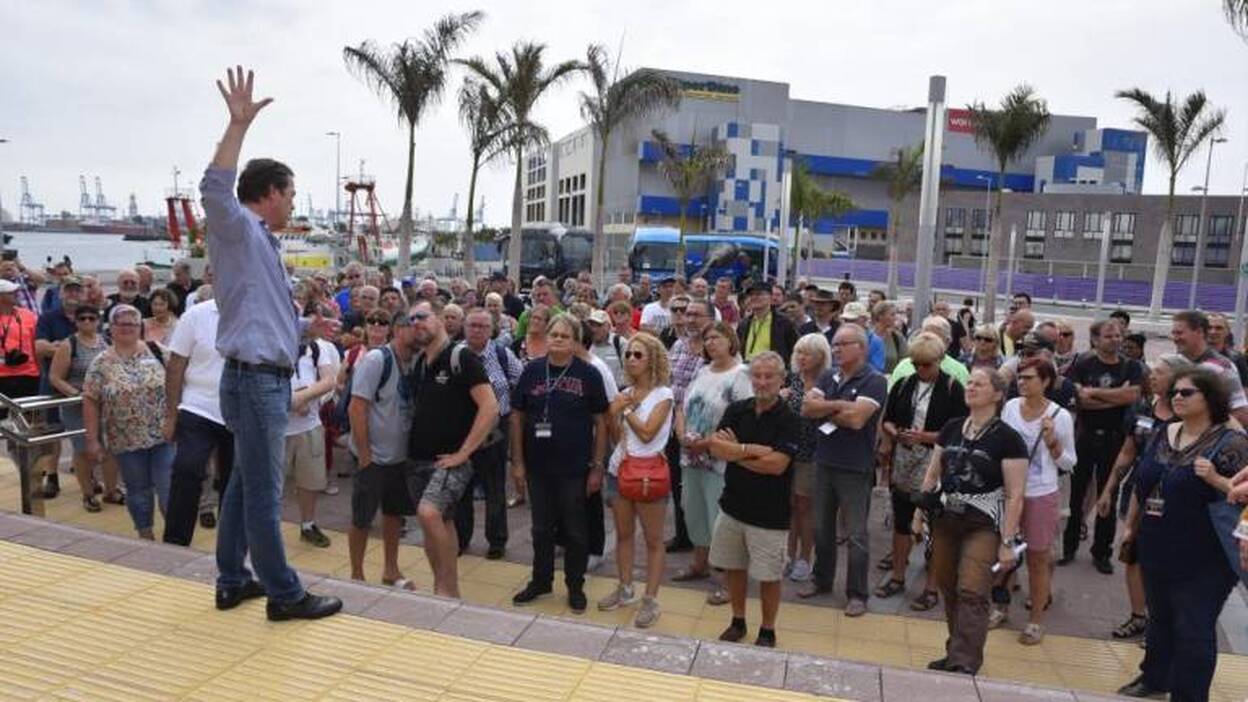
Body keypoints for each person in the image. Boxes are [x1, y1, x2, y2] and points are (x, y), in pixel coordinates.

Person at [201, 66, 340, 621]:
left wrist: (309, 330)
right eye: (290, 193)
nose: (293, 202)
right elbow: (214, 188)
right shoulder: (236, 229)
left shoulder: (261, 244)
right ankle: (285, 594)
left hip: (256, 376)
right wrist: (236, 126)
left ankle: (232, 578)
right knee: (263, 491)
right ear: (270, 194)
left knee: (242, 481)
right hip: (256, 382)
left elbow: (262, 317)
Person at [1117, 367, 1248, 701]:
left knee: (1194, 627)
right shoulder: (1166, 432)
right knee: (1160, 618)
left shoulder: (1230, 442)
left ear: (1210, 398)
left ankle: (1189, 695)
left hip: (1206, 554)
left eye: (1186, 392)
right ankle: (1154, 678)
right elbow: (1143, 484)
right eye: (1174, 391)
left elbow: (1240, 494)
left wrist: (1216, 479)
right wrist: (1131, 526)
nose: (1176, 397)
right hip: (1158, 543)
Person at [920, 368, 1028, 675]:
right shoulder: (953, 427)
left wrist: (1007, 542)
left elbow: (1016, 494)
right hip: (945, 519)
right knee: (947, 584)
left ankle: (966, 660)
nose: (970, 387)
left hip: (983, 523)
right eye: (969, 382)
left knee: (972, 588)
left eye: (979, 384)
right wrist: (920, 514)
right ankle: (955, 650)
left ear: (997, 394)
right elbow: (932, 472)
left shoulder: (1008, 439)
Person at [511, 313, 608, 613]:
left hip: (574, 468)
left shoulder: (588, 374)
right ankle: (541, 580)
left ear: (575, 341)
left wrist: (597, 465)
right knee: (541, 528)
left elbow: (601, 422)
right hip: (538, 466)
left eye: (565, 336)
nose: (558, 340)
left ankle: (575, 585)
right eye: (554, 334)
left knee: (575, 530)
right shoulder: (532, 370)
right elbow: (517, 416)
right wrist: (517, 461)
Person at [706, 352, 800, 647]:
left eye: (768, 376)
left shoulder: (790, 419)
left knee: (768, 576)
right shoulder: (737, 410)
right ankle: (738, 620)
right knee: (734, 566)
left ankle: (768, 629)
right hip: (733, 506)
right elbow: (715, 447)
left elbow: (777, 466)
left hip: (770, 514)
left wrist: (737, 453)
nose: (762, 382)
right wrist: (753, 449)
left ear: (781, 379)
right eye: (756, 376)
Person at [1096, 353, 1192, 642]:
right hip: (1138, 492)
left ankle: (1162, 622)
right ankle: (1139, 616)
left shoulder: (1187, 413)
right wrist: (1108, 489)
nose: (1152, 376)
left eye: (1159, 372)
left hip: (1174, 498)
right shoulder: (1141, 407)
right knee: (1132, 552)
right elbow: (1127, 451)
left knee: (1165, 560)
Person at [407, 300, 499, 598]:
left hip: (450, 460)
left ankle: (447, 590)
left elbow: (490, 406)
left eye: (422, 316)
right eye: (411, 320)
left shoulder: (461, 357)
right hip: (418, 458)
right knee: (441, 521)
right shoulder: (421, 362)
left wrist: (464, 453)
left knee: (429, 513)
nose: (416, 323)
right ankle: (444, 588)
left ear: (438, 318)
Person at [797, 324, 888, 616]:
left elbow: (858, 421)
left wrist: (827, 406)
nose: (835, 349)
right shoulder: (828, 375)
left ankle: (857, 593)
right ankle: (821, 580)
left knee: (857, 533)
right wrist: (842, 407)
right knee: (821, 526)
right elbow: (806, 409)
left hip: (854, 466)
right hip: (824, 461)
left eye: (842, 344)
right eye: (834, 344)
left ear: (860, 347)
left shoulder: (874, 380)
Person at [877, 332, 967, 611]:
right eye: (916, 364)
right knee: (902, 521)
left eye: (926, 364)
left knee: (934, 528)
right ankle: (898, 575)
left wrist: (925, 437)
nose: (920, 370)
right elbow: (888, 419)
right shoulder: (904, 384)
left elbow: (959, 432)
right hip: (904, 460)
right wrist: (895, 433)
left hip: (935, 463)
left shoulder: (953, 389)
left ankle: (932, 587)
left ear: (939, 361)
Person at [994, 358, 1077, 644]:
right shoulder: (1009, 407)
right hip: (1008, 491)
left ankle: (1036, 621)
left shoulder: (1060, 416)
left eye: (1029, 378)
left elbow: (1069, 462)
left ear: (1045, 382)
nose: (1022, 382)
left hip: (1041, 493)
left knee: (1037, 558)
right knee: (1004, 553)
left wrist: (1053, 442)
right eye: (1020, 377)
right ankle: (1000, 606)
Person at [674, 321, 753, 604]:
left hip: (719, 461)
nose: (710, 343)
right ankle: (699, 562)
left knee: (720, 519)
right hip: (691, 456)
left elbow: (745, 419)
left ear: (731, 340)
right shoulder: (702, 370)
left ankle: (728, 580)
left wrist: (708, 442)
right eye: (707, 338)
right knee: (693, 510)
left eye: (716, 337)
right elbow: (682, 405)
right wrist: (682, 433)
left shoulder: (741, 375)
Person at [598, 333, 674, 628]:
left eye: (638, 355)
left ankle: (651, 599)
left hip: (649, 475)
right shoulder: (624, 392)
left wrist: (624, 409)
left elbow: (647, 433)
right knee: (623, 534)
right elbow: (619, 438)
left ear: (652, 358)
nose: (631, 359)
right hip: (621, 469)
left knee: (654, 540)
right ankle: (625, 587)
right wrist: (613, 416)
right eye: (628, 354)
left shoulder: (663, 395)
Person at [81, 305, 173, 540]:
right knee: (138, 490)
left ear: (139, 327)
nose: (126, 328)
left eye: (132, 323)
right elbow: (90, 401)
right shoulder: (101, 363)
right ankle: (145, 534)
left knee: (168, 489)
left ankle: (174, 538)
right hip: (125, 439)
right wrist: (92, 441)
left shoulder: (157, 351)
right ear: (110, 328)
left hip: (163, 435)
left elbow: (178, 382)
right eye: (120, 323)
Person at [1061, 319, 1143, 574]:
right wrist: (1115, 397)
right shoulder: (1083, 363)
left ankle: (1102, 552)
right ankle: (1069, 547)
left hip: (1114, 439)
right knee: (1077, 495)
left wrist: (1094, 394)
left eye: (1118, 335)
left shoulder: (1132, 367)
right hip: (1084, 437)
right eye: (1109, 336)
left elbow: (1133, 395)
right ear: (1096, 339)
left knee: (1108, 495)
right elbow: (1077, 398)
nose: (1115, 340)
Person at [346, 311, 421, 589]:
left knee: (393, 514)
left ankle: (391, 570)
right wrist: (365, 455)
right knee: (362, 517)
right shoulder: (378, 359)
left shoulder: (415, 361)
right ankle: (356, 574)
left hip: (400, 457)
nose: (421, 333)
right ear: (400, 329)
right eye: (416, 327)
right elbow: (357, 406)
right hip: (374, 457)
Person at [160, 297, 235, 546]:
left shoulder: (254, 311)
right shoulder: (195, 315)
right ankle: (175, 542)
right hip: (198, 406)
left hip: (240, 414)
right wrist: (171, 415)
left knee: (233, 482)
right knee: (187, 469)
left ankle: (230, 549)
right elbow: (175, 366)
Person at [456, 307, 522, 559]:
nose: (476, 330)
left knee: (495, 487)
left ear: (491, 330)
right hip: (462, 429)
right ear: (465, 327)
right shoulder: (454, 354)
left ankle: (497, 541)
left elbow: (521, 380)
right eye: (472, 325)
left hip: (495, 431)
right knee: (461, 487)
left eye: (482, 326)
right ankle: (461, 539)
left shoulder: (502, 354)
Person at [48, 304, 122, 512]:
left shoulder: (106, 342)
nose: (87, 322)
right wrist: (73, 393)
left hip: (104, 404)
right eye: (82, 318)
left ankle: (111, 491)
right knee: (82, 451)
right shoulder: (68, 344)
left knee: (109, 448)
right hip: (77, 406)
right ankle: (88, 494)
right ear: (76, 321)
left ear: (98, 320)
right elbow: (55, 376)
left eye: (91, 318)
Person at [781, 333, 834, 584]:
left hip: (813, 452)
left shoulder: (829, 382)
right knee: (788, 504)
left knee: (805, 506)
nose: (801, 357)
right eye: (799, 351)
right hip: (787, 451)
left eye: (808, 353)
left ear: (821, 357)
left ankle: (805, 557)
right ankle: (788, 555)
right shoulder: (791, 380)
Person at [284, 317, 339, 548]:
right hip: (277, 429)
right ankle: (264, 527)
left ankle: (308, 524)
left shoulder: (317, 349)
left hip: (310, 426)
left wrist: (303, 397)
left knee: (310, 481)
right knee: (271, 481)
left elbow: (329, 381)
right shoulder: (272, 347)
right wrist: (290, 401)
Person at [664, 299, 712, 553]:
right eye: (685, 313)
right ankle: (684, 535)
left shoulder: (716, 348)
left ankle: (706, 544)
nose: (689, 318)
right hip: (675, 425)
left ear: (710, 320)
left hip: (704, 429)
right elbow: (669, 379)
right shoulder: (679, 345)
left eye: (696, 314)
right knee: (678, 485)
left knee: (706, 486)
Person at [1171, 310, 1248, 427]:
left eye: (1180, 333)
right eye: (1174, 333)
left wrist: (1208, 436)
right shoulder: (1176, 363)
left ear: (1199, 332)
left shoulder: (1221, 367)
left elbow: (1240, 412)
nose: (1175, 338)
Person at [889, 316, 970, 388]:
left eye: (935, 339)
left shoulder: (958, 371)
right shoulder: (904, 366)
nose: (929, 343)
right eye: (925, 337)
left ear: (947, 342)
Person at [739, 283, 798, 366]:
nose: (754, 297)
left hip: (773, 372)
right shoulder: (743, 324)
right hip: (747, 371)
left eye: (759, 294)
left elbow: (794, 348)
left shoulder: (783, 322)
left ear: (770, 297)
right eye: (751, 295)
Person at [1208, 312, 1248, 390]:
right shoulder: (1192, 356)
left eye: (1218, 328)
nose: (1213, 331)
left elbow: (1244, 390)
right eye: (1209, 327)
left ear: (1227, 331)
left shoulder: (1237, 359)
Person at [871, 301, 908, 375]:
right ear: (880, 316)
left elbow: (905, 361)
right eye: (892, 315)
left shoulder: (897, 338)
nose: (895, 318)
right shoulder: (868, 337)